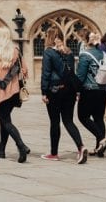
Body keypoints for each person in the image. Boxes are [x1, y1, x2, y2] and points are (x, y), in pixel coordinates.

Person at [39, 27, 86, 164]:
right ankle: (81, 147)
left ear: (49, 37)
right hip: (70, 90)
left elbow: (46, 73)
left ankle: (54, 153)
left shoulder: (48, 52)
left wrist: (43, 92)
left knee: (55, 122)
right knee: (68, 121)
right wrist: (77, 91)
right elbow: (72, 73)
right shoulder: (69, 52)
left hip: (55, 90)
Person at [0, 25, 30, 162]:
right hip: (14, 91)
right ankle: (1, 150)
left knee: (5, 121)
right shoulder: (16, 51)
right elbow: (25, 70)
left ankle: (21, 146)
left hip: (1, 92)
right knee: (4, 120)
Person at [76, 30, 106, 156]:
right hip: (104, 89)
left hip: (90, 89)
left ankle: (102, 139)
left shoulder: (85, 55)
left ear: (86, 41)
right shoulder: (104, 54)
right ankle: (99, 148)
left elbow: (80, 76)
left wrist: (76, 90)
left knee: (83, 116)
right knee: (98, 117)